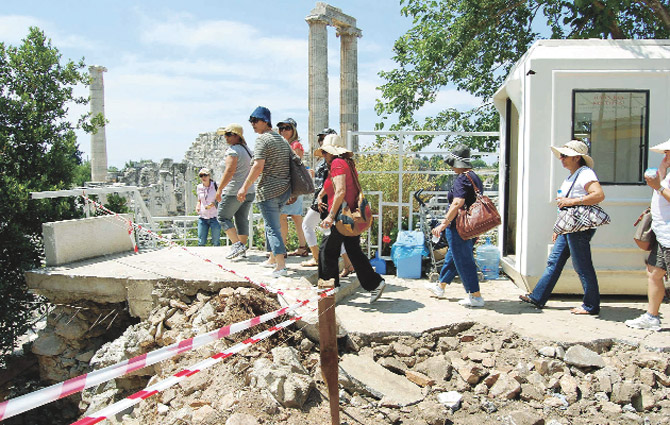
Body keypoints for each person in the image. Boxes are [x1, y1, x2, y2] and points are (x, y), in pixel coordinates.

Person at [519, 140, 605, 315]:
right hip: (570, 227)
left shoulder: (585, 174)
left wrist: (573, 201)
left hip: (578, 228)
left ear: (577, 158)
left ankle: (591, 305)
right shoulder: (575, 174)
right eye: (561, 155)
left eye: (565, 156)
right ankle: (538, 296)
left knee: (582, 265)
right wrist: (558, 228)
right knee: (555, 261)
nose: (561, 159)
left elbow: (598, 195)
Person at [316, 134, 386, 303]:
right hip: (349, 216)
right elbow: (332, 185)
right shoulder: (346, 162)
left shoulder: (337, 164)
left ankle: (328, 291)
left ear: (332, 152)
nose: (323, 155)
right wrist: (320, 195)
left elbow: (340, 191)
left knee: (327, 250)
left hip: (341, 216)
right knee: (353, 251)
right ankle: (375, 282)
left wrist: (331, 216)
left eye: (325, 152)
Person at [425, 145, 486, 307]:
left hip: (459, 226)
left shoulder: (462, 179)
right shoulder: (474, 177)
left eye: (452, 163)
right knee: (454, 256)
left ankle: (475, 295)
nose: (451, 167)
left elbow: (458, 202)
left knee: (464, 260)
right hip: (471, 225)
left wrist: (444, 223)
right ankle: (440, 286)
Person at [237, 106, 292, 278]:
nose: (252, 124)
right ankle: (274, 260)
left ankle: (281, 265)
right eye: (251, 121)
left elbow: (258, 166)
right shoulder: (281, 139)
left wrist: (244, 187)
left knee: (272, 228)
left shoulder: (263, 139)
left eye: (255, 121)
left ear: (265, 121)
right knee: (275, 226)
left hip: (268, 190)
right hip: (284, 189)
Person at [625, 139, 670, 331]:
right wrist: (662, 170)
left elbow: (662, 190)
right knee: (653, 273)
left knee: (655, 273)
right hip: (663, 235)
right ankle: (652, 317)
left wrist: (658, 186)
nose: (666, 156)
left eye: (668, 153)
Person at [301, 128, 354, 276]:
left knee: (324, 231)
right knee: (328, 232)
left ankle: (324, 265)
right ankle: (345, 265)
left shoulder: (335, 163)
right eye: (321, 141)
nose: (322, 147)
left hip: (326, 202)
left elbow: (336, 186)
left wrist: (328, 210)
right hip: (324, 200)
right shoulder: (335, 162)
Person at [215, 123, 255, 259]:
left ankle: (237, 245)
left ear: (235, 136)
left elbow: (230, 170)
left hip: (234, 190)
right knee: (241, 218)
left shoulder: (233, 150)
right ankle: (242, 249)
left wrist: (219, 189)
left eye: (227, 135)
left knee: (222, 217)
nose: (225, 138)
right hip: (249, 190)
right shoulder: (248, 150)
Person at [277, 118, 309, 257]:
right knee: (296, 217)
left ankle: (282, 249)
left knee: (282, 217)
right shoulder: (286, 144)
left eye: (287, 128)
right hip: (289, 185)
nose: (283, 131)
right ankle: (302, 247)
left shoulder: (295, 145)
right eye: (281, 128)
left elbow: (296, 167)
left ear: (293, 130)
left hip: (291, 186)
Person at [195, 168, 221, 246]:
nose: (203, 177)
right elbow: (199, 200)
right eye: (201, 175)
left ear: (209, 176)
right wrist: (198, 206)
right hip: (203, 217)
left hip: (214, 216)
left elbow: (222, 198)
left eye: (205, 175)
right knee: (201, 241)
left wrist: (213, 204)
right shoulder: (199, 187)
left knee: (216, 241)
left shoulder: (216, 185)